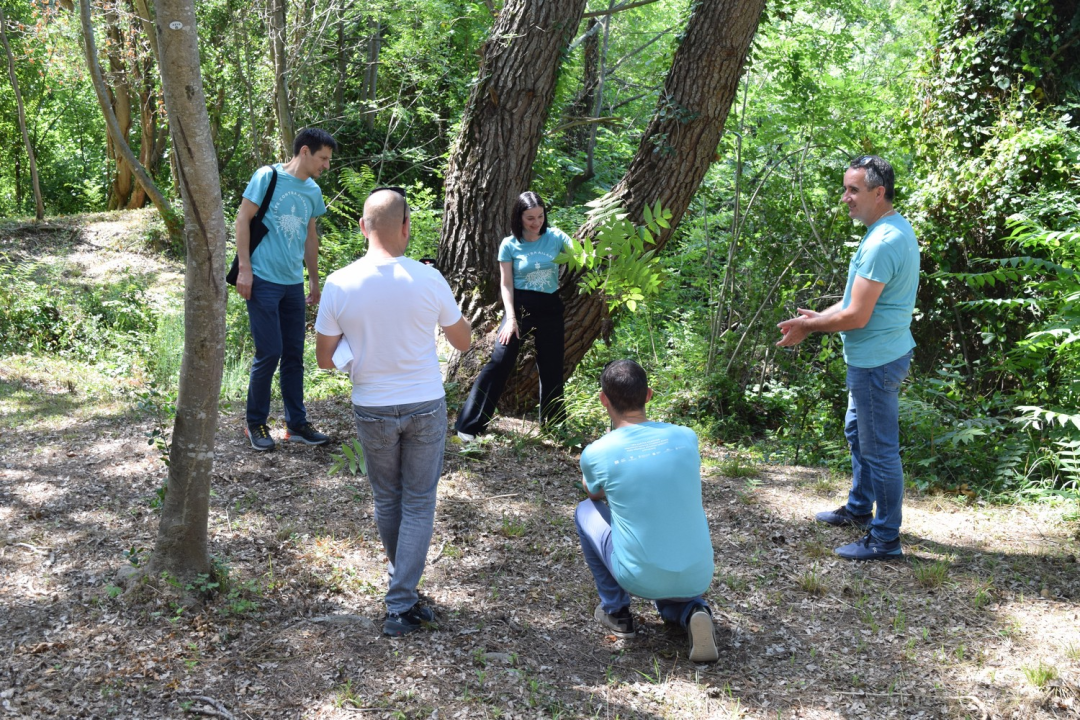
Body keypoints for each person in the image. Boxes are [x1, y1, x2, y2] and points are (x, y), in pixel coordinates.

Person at [314, 187, 471, 636]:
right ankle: (401, 603)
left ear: (363, 227)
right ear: (406, 228)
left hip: (372, 404)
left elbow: (324, 357)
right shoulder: (427, 279)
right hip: (424, 402)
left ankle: (402, 589)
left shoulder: (340, 282)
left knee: (388, 498)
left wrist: (355, 353)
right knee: (419, 502)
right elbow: (463, 340)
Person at [777, 155, 920, 561]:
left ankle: (885, 538)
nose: (845, 198)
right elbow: (856, 303)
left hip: (877, 361)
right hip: (873, 356)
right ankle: (860, 510)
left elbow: (857, 315)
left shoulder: (883, 241)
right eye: (845, 189)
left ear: (879, 192)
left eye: (853, 190)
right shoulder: (888, 228)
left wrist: (810, 326)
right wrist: (821, 317)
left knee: (880, 450)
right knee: (858, 433)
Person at [574, 359, 719, 663]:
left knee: (586, 510)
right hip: (698, 573)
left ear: (604, 399)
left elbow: (595, 494)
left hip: (639, 576)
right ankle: (693, 609)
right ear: (649, 395)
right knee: (667, 521)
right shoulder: (686, 437)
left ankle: (617, 613)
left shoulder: (598, 452)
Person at [234, 127, 338, 452]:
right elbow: (242, 219)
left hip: (293, 283)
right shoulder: (267, 177)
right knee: (270, 352)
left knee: (294, 355)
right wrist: (245, 270)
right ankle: (256, 423)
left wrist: (314, 281)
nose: (326, 165)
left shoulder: (313, 192)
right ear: (305, 151)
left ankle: (296, 424)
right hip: (262, 279)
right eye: (323, 158)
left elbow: (310, 238)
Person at [454, 192, 571, 441]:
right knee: (500, 359)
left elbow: (583, 255)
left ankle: (555, 427)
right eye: (530, 218)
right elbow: (506, 285)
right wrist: (512, 319)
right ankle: (469, 425)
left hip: (550, 307)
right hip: (519, 307)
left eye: (540, 216)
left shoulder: (556, 237)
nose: (536, 222)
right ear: (519, 217)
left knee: (552, 367)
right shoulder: (509, 244)